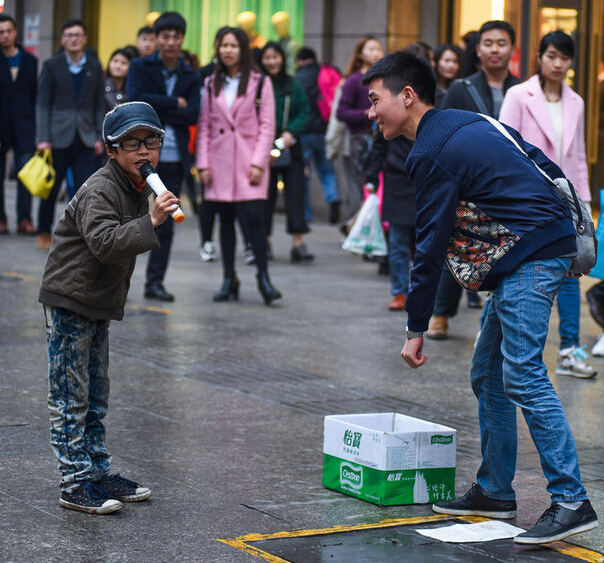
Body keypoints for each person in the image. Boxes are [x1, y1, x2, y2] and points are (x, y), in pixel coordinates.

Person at [365, 50, 598, 545]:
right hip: (536, 246)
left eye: (374, 100)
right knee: (488, 371)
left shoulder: (431, 150)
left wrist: (416, 328)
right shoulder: (468, 121)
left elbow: (427, 245)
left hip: (530, 255)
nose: (370, 112)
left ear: (407, 96)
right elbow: (540, 160)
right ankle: (494, 489)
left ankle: (572, 500)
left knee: (524, 373)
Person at [39, 101, 181, 514]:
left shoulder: (139, 186)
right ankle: (74, 482)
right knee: (70, 395)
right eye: (131, 143)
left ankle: (98, 472)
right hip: (70, 300)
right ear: (111, 150)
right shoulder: (102, 188)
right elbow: (103, 244)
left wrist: (149, 216)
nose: (143, 152)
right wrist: (151, 222)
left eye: (150, 141)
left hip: (98, 302)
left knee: (97, 393)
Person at [499, 30, 595, 379]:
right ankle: (493, 338)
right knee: (512, 267)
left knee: (572, 273)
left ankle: (568, 350)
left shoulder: (577, 101)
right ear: (539, 56)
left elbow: (579, 156)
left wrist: (583, 207)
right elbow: (504, 146)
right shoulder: (518, 95)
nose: (558, 63)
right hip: (526, 199)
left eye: (565, 58)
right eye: (552, 55)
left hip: (566, 201)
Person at [426, 20, 521, 338]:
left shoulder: (521, 90)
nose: (495, 49)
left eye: (502, 43)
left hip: (510, 181)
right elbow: (445, 132)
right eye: (489, 43)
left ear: (512, 49)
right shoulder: (461, 88)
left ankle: (495, 314)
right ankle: (440, 312)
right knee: (459, 244)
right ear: (478, 49)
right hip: (469, 180)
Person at [196, 27, 280, 304]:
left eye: (233, 45)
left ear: (243, 49)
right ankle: (228, 278)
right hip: (219, 163)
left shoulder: (260, 82)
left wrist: (259, 162)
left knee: (254, 221)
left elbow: (268, 126)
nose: (228, 50)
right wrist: (204, 164)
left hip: (248, 163)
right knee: (225, 223)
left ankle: (263, 278)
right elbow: (205, 126)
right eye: (223, 45)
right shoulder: (210, 83)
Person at [127, 11, 200, 302]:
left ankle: (154, 282)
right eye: (165, 36)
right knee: (125, 219)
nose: (171, 42)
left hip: (172, 158)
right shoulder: (139, 66)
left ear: (182, 39)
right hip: (138, 157)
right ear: (156, 38)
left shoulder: (190, 75)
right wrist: (173, 103)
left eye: (176, 37)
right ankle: (114, 278)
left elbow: (192, 113)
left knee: (166, 224)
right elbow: (135, 101)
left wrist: (159, 108)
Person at [35, 18, 106, 250]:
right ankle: (43, 231)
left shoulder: (94, 67)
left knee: (85, 189)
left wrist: (99, 136)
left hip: (85, 137)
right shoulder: (51, 65)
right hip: (56, 137)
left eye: (78, 35)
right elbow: (43, 104)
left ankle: (79, 233)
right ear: (63, 39)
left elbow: (98, 105)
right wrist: (43, 137)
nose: (74, 39)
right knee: (51, 188)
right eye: (69, 35)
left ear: (85, 39)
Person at [260, 42, 313, 262]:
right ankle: (264, 242)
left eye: (275, 57)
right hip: (263, 148)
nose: (272, 62)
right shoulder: (258, 84)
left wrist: (291, 132)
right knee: (265, 198)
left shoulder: (293, 84)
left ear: (282, 59)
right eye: (267, 58)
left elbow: (305, 112)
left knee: (295, 195)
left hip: (291, 147)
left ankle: (298, 243)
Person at [336, 35, 383, 219]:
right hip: (359, 139)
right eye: (371, 49)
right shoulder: (354, 79)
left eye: (378, 48)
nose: (376, 52)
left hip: (379, 137)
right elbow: (342, 112)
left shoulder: (383, 78)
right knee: (360, 184)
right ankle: (354, 225)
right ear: (361, 54)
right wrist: (364, 113)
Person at [0, 13, 37, 235]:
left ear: (15, 33)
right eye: (0, 32)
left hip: (25, 126)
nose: (4, 36)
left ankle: (24, 219)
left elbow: (35, 96)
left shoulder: (30, 60)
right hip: (0, 126)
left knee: (26, 175)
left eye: (7, 31)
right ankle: (1, 219)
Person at [295, 47, 341, 224]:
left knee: (303, 175)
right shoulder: (326, 73)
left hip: (304, 133)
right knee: (327, 171)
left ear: (300, 60)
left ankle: (306, 214)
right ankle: (333, 198)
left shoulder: (298, 78)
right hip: (324, 130)